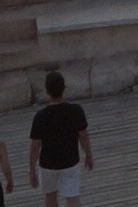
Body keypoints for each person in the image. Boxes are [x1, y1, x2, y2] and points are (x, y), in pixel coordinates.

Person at [28, 70, 91, 206]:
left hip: (48, 164)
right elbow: (83, 135)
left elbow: (35, 146)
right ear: (64, 88)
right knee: (72, 197)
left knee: (50, 197)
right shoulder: (76, 111)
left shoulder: (41, 116)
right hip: (70, 161)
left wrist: (32, 170)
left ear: (47, 90)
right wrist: (88, 154)